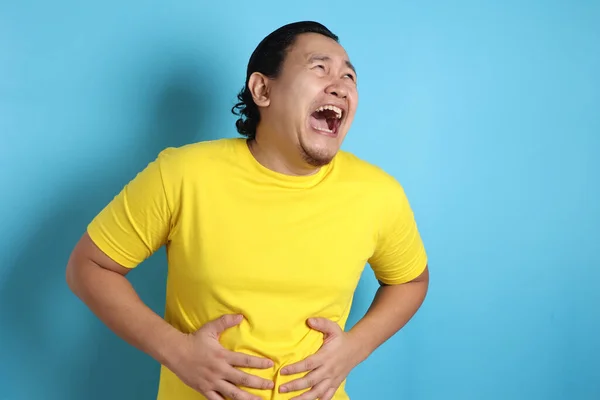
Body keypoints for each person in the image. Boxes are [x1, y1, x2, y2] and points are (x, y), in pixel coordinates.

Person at [66, 20, 429, 400]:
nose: (340, 85)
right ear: (262, 89)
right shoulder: (183, 174)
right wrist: (177, 352)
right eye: (319, 68)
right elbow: (88, 266)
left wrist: (356, 348)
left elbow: (410, 281)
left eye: (349, 76)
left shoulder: (377, 193)